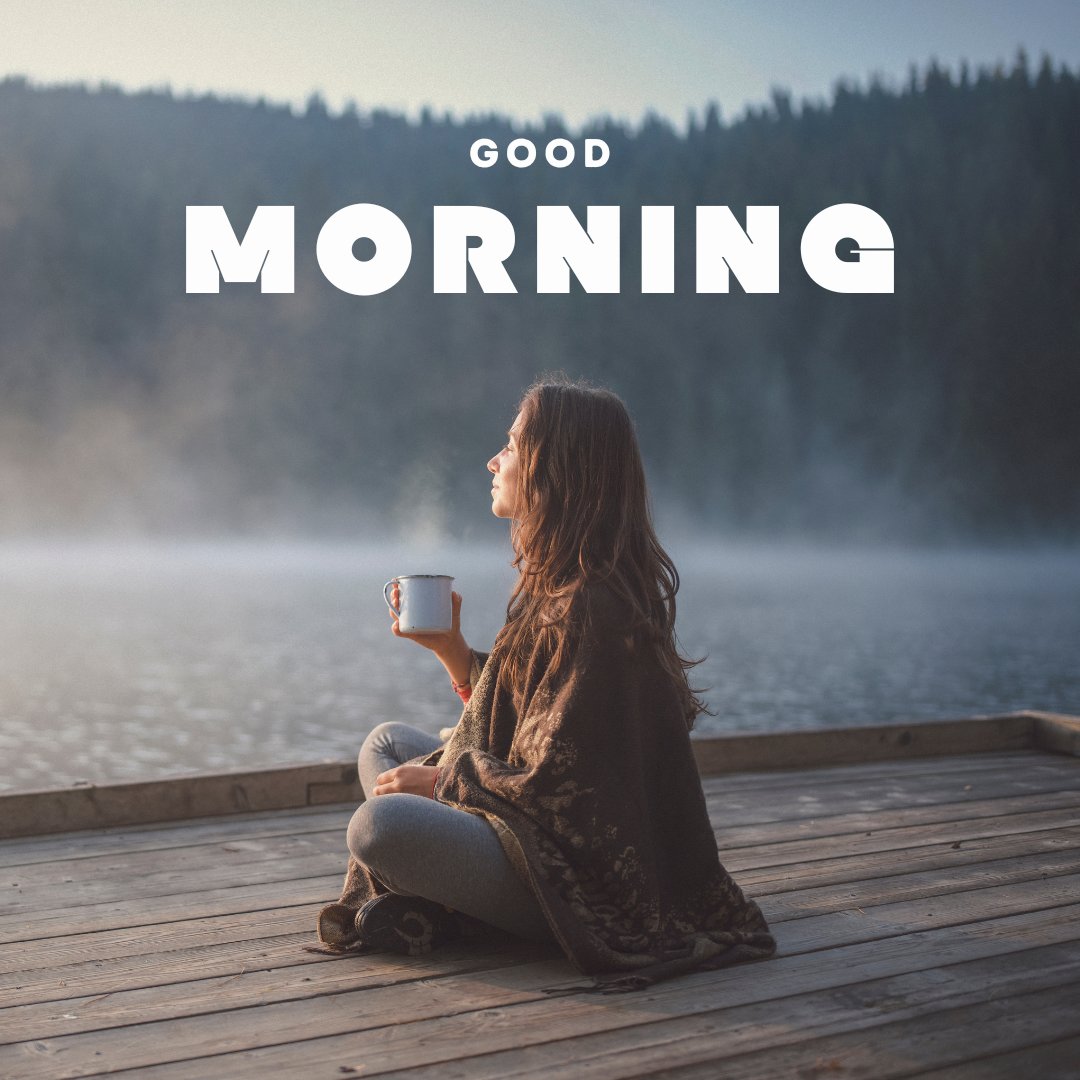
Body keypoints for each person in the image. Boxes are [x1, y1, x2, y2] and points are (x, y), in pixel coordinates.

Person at [316, 375, 776, 993]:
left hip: (579, 881)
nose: (493, 460)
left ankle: (459, 906)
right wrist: (452, 651)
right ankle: (440, 893)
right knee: (388, 744)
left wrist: (446, 779)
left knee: (380, 828)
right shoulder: (558, 585)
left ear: (553, 467)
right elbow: (526, 718)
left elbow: (564, 788)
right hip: (530, 830)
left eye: (510, 445)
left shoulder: (593, 605)